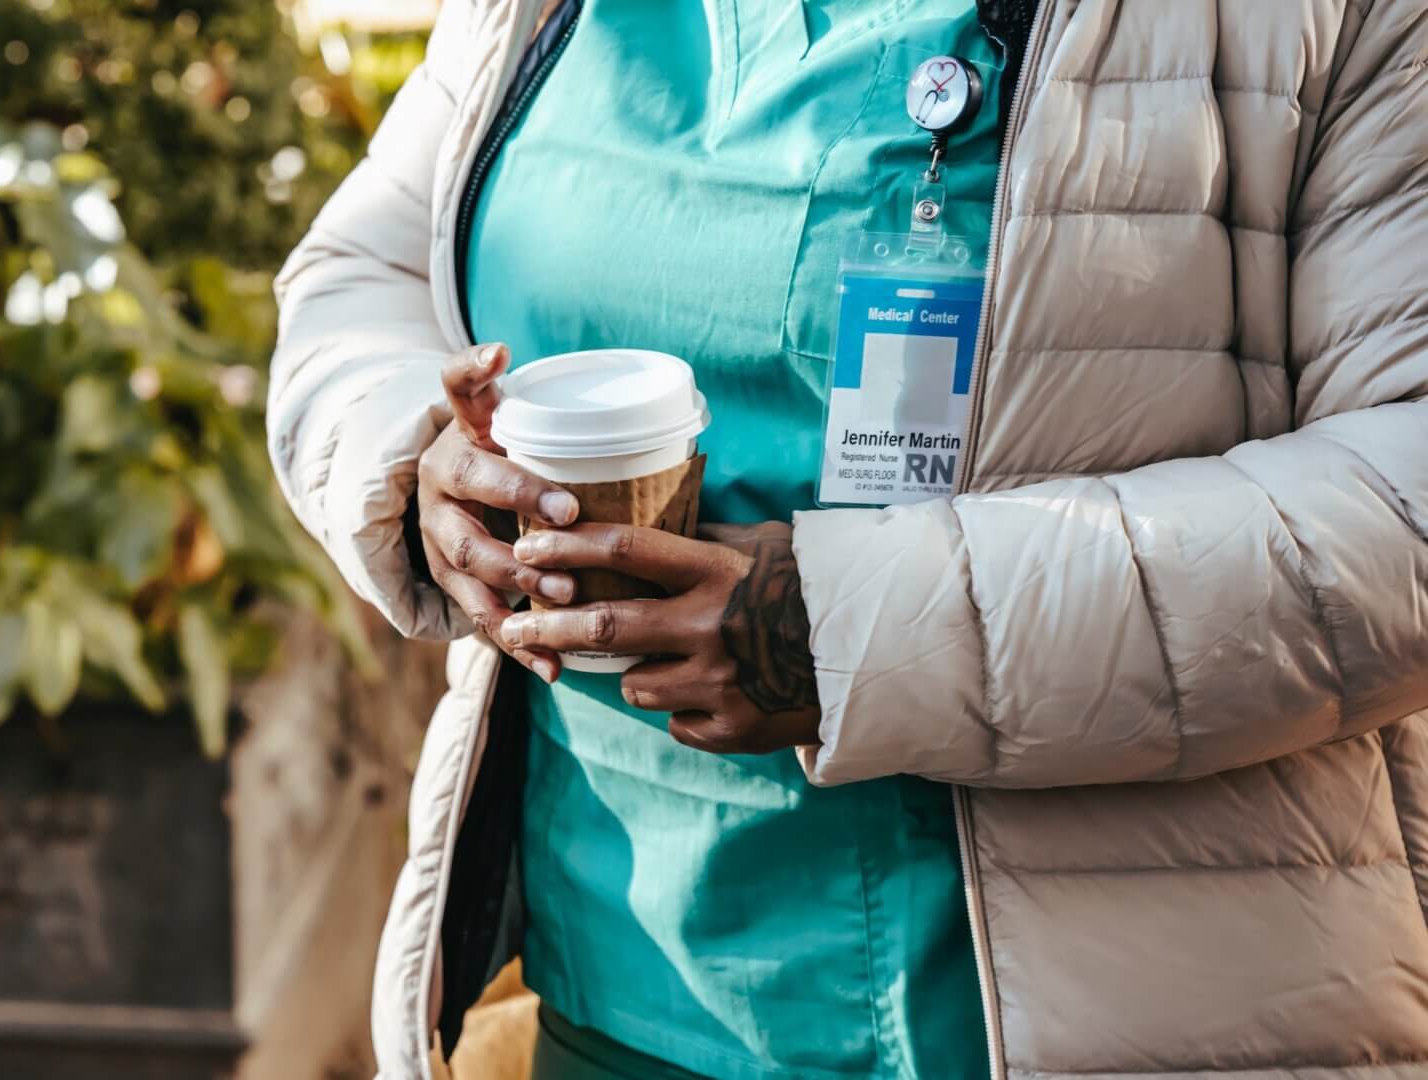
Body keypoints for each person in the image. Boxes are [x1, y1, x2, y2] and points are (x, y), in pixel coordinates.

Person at [267, 0, 1428, 1076]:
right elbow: (361, 273)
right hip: (612, 995)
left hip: (1095, 1019)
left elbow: (1404, 503)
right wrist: (417, 458)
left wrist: (849, 631)